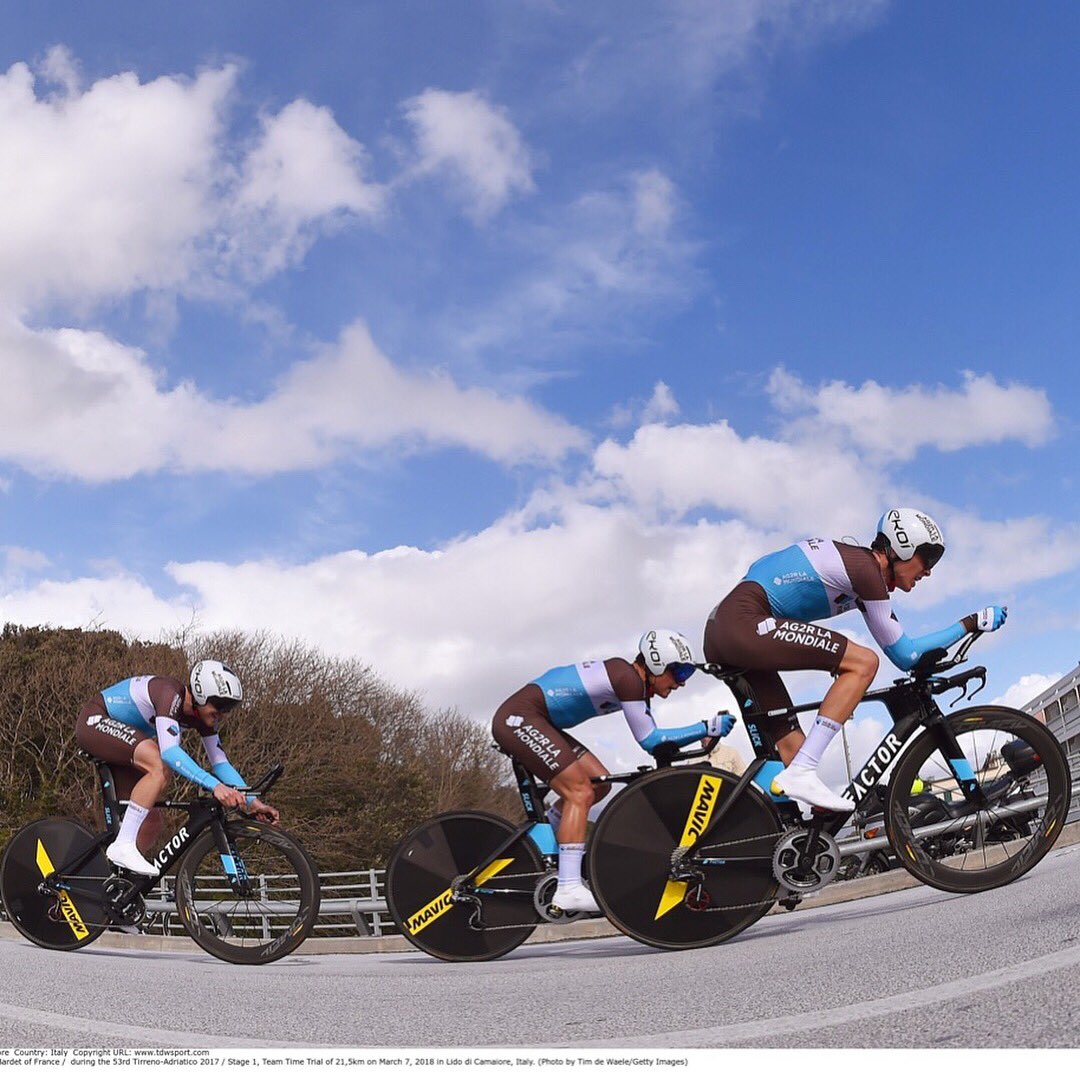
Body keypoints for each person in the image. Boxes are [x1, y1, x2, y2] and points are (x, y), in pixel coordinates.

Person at [703, 508, 1007, 812]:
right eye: (928, 558)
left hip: (728, 628)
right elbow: (906, 655)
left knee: (791, 746)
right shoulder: (865, 570)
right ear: (902, 547)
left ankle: (790, 826)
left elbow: (904, 649)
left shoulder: (859, 574)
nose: (928, 571)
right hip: (742, 623)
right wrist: (971, 623)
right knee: (864, 663)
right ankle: (802, 771)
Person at [492, 629, 734, 913]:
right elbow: (651, 741)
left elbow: (658, 745)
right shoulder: (628, 679)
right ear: (656, 664)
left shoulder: (634, 683)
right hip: (520, 718)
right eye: (679, 672)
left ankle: (544, 848)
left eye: (687, 675)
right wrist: (706, 727)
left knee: (599, 784)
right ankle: (568, 887)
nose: (681, 683)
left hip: (540, 720)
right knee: (580, 792)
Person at [75, 659, 279, 876]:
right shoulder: (170, 693)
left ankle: (118, 880)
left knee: (151, 821)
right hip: (95, 721)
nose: (222, 713)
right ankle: (123, 845)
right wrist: (216, 786)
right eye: (219, 705)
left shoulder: (202, 718)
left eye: (228, 708)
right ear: (200, 694)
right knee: (160, 765)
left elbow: (220, 763)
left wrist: (253, 803)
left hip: (124, 740)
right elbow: (170, 752)